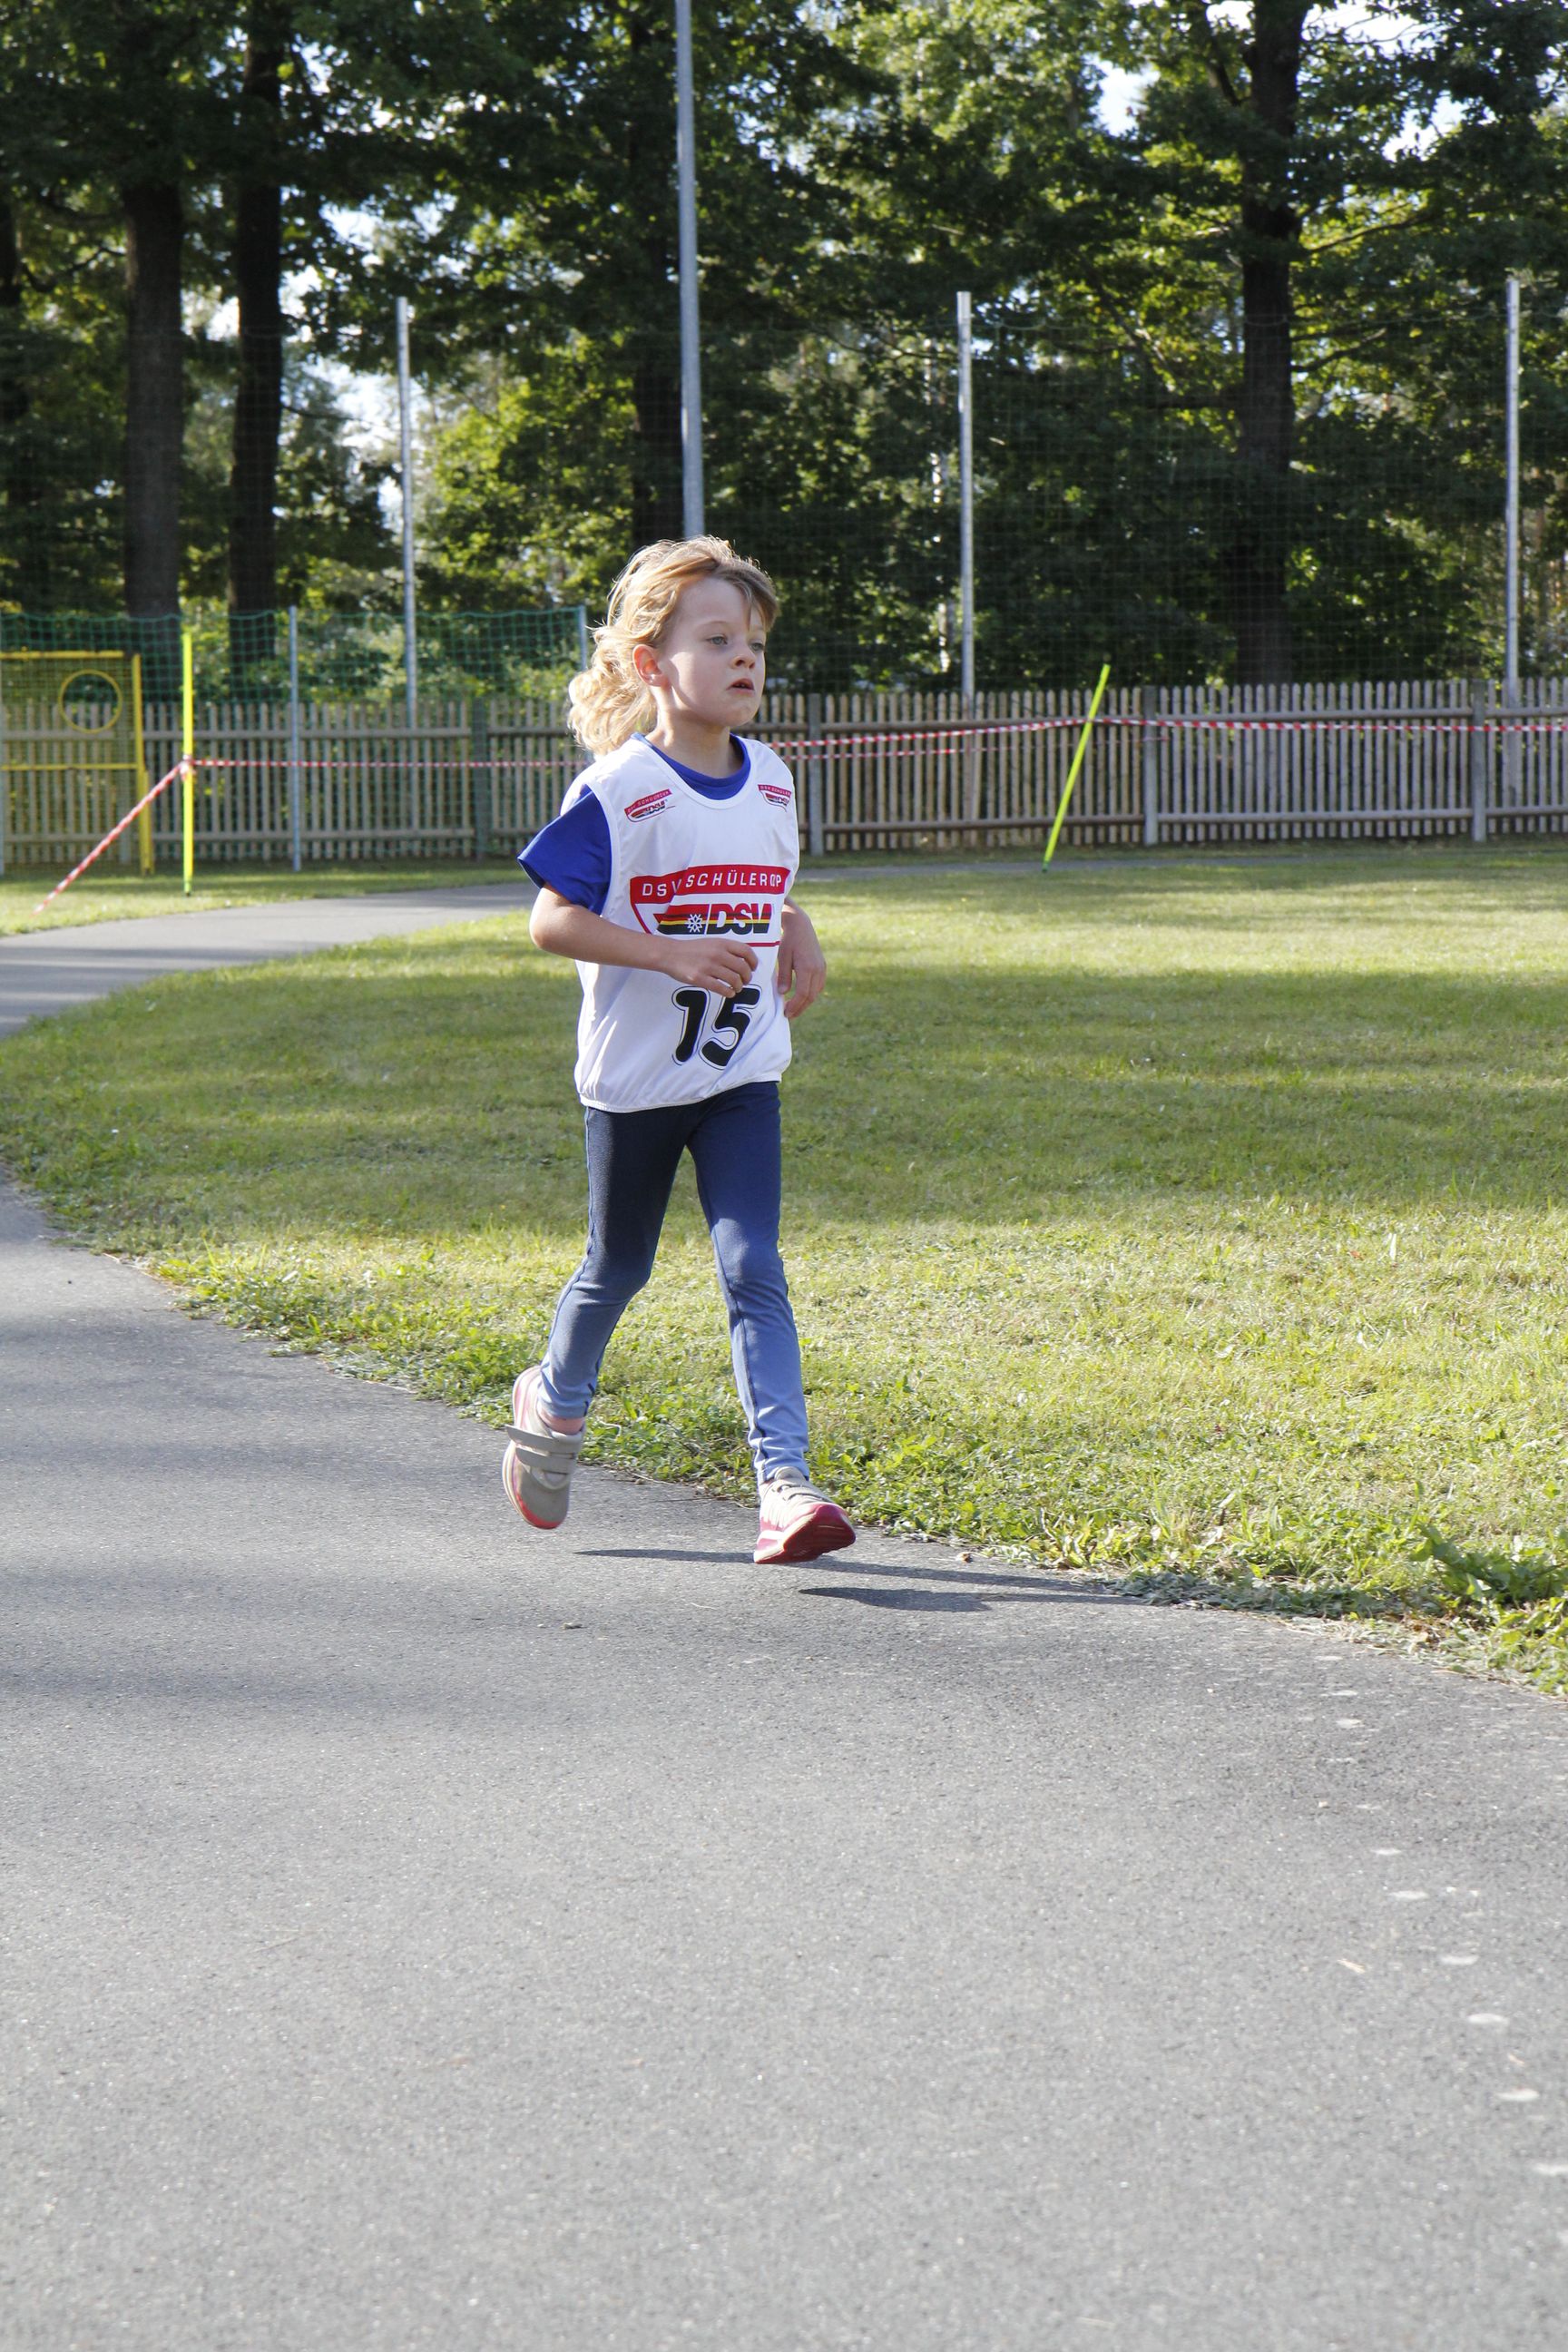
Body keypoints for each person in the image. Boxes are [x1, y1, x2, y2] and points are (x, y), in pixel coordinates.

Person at [504, 535, 855, 1566]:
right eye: (718, 640)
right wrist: (666, 954)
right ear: (652, 664)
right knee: (619, 1266)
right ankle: (554, 1399)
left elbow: (763, 885)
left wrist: (796, 928)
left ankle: (785, 1487)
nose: (746, 658)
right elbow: (550, 920)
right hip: (636, 1088)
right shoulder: (619, 790)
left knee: (754, 1265)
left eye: (754, 643)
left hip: (741, 1077)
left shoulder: (774, 781)